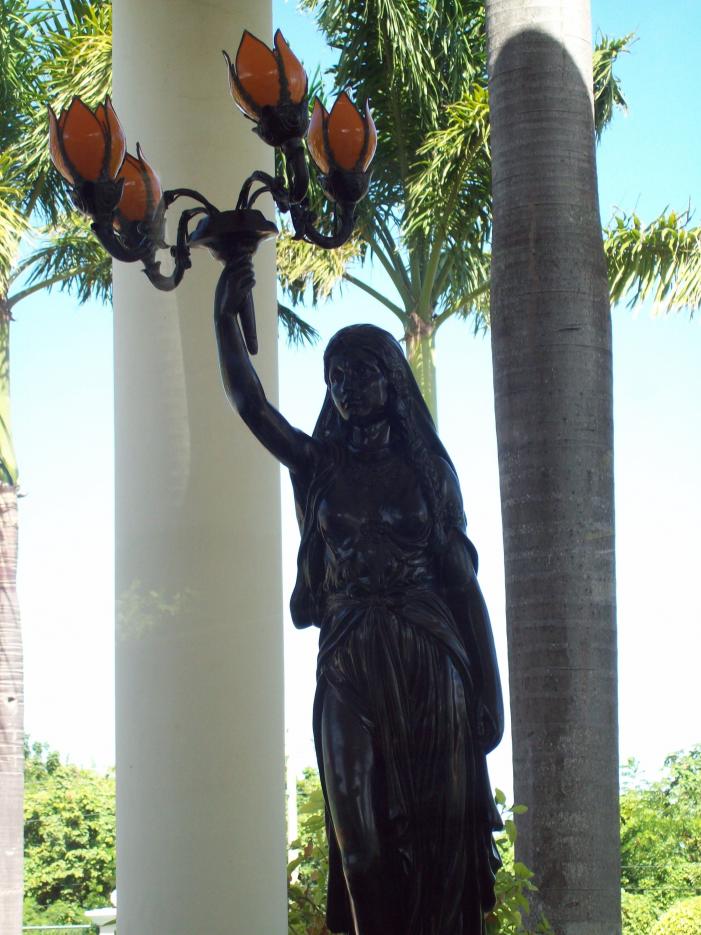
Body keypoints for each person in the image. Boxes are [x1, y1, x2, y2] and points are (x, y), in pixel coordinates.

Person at [214, 263, 504, 935]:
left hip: (428, 656)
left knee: (435, 844)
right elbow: (252, 406)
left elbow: (463, 586)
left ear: (390, 380)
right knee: (359, 848)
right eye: (335, 377)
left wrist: (490, 693)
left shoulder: (429, 472)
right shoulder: (319, 466)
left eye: (360, 374)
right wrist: (223, 319)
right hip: (348, 657)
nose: (346, 388)